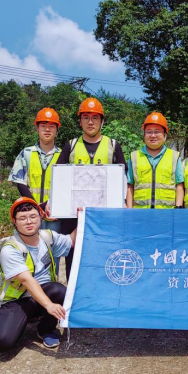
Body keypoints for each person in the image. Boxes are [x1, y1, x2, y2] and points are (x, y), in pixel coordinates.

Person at [0, 198, 78, 352]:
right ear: (14, 221)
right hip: (18, 301)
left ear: (41, 217)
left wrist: (84, 217)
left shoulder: (47, 237)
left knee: (59, 290)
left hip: (42, 296)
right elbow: (27, 280)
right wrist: (49, 305)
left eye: (33, 216)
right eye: (22, 218)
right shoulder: (10, 249)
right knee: (1, 342)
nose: (29, 222)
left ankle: (45, 329)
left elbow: (71, 241)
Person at [55, 97, 127, 280]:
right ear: (80, 121)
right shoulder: (71, 146)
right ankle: (74, 293)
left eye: (95, 117)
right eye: (86, 117)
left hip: (104, 217)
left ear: (102, 121)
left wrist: (124, 201)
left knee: (103, 257)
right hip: (74, 216)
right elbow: (60, 177)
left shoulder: (113, 145)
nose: (90, 122)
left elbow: (122, 177)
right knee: (73, 259)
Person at [8, 108, 62, 232]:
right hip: (29, 214)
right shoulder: (26, 153)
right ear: (37, 128)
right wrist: (36, 208)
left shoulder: (63, 155)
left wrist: (47, 206)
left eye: (51, 126)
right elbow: (20, 183)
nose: (47, 130)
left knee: (53, 242)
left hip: (53, 214)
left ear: (57, 130)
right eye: (43, 126)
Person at [127, 112, 185, 209]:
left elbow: (179, 185)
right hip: (140, 213)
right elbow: (130, 186)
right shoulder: (134, 156)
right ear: (144, 134)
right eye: (149, 132)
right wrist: (129, 210)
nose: (153, 135)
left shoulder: (174, 156)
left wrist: (178, 209)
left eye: (157, 132)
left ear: (165, 134)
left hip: (167, 213)